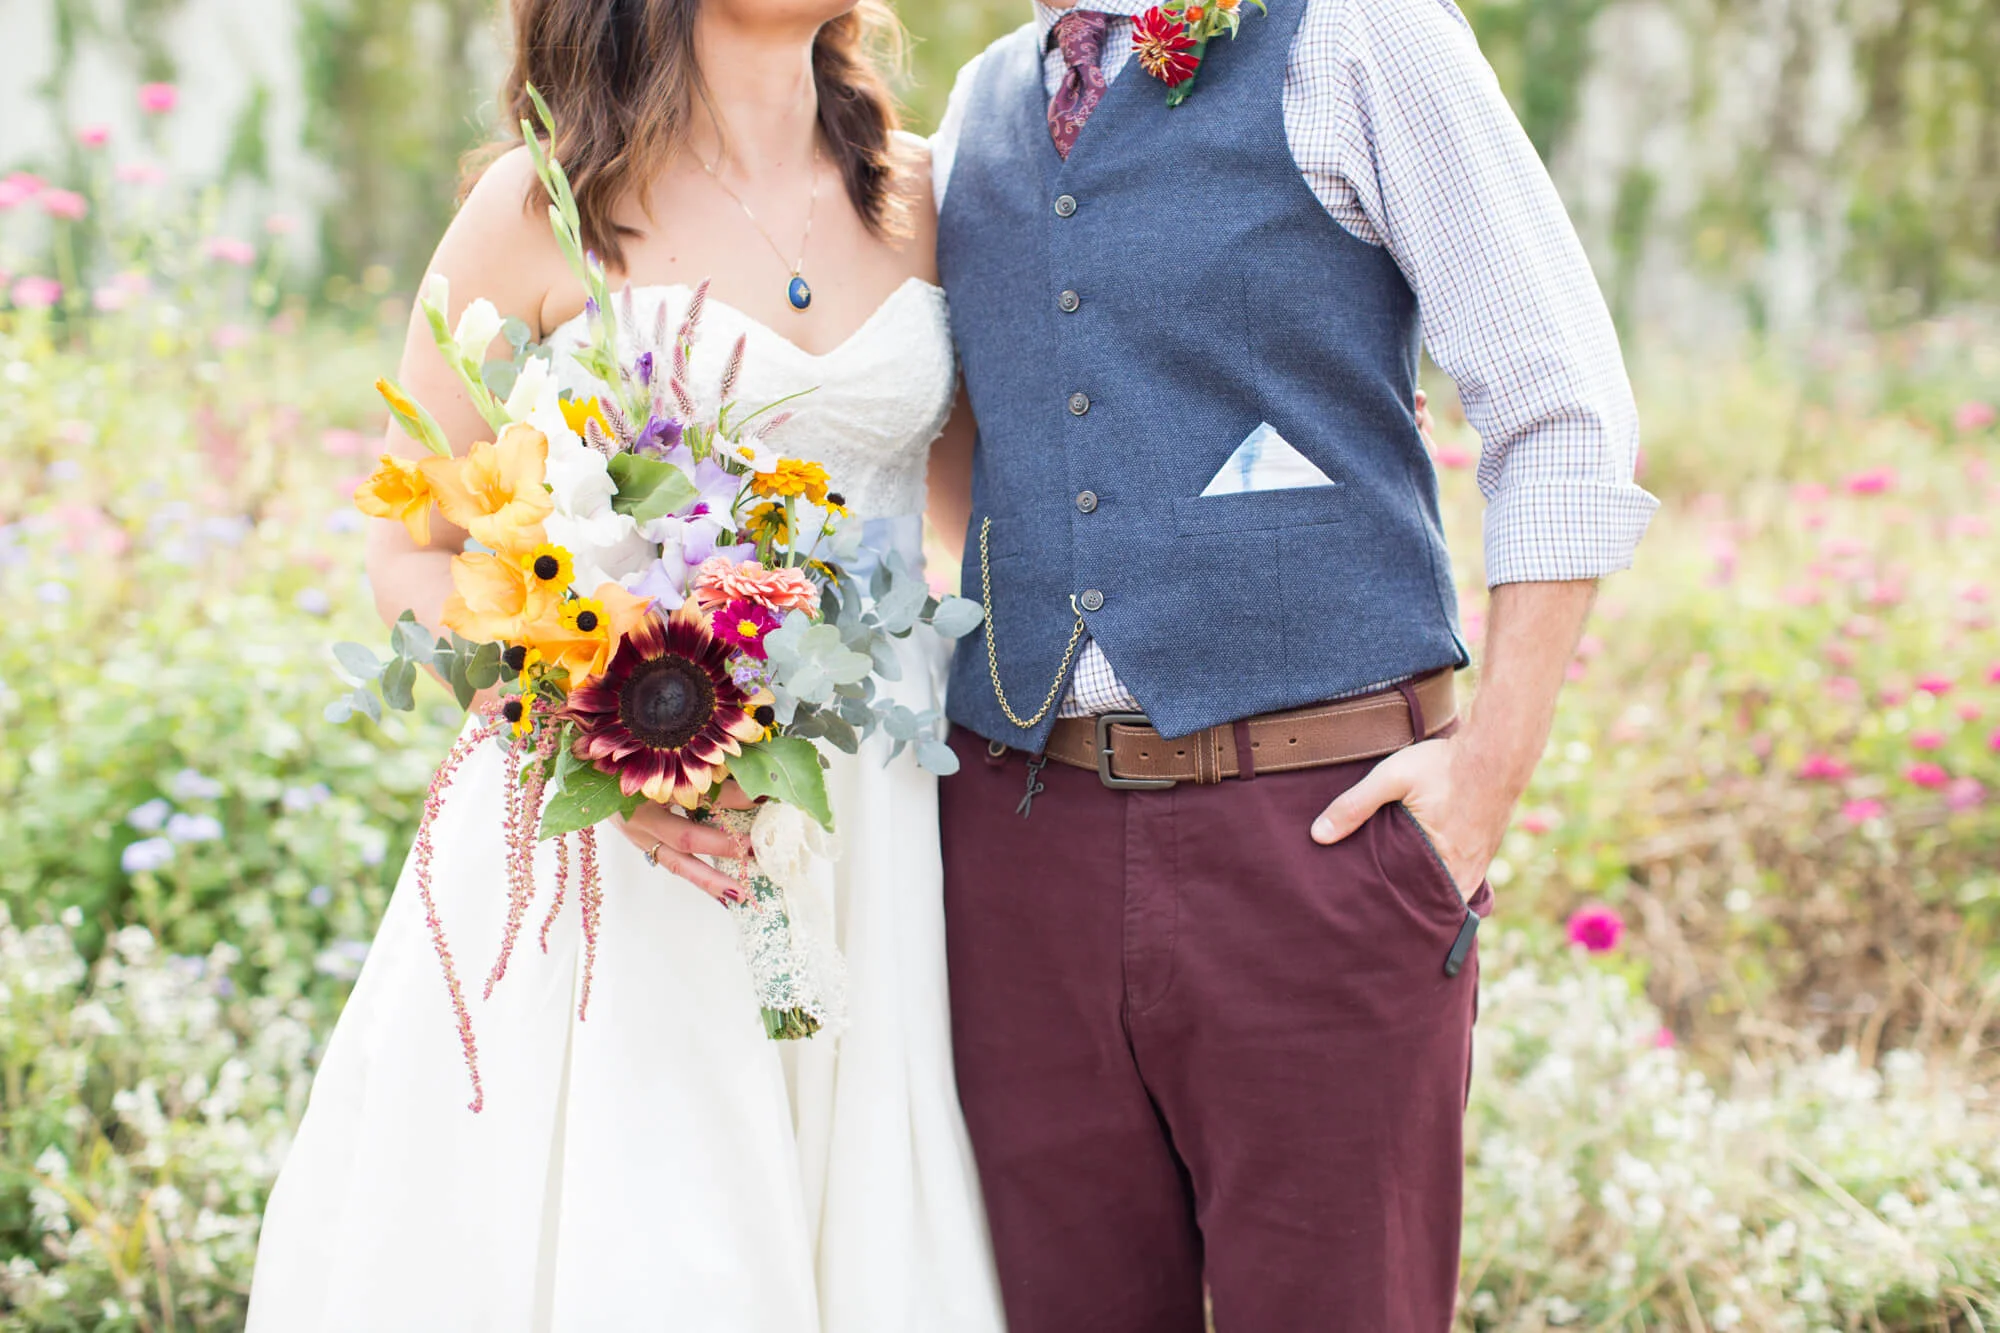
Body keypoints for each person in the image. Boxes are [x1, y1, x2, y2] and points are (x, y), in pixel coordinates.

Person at [246, 1, 1003, 1328]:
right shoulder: (538, 208)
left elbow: (981, 517)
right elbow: (413, 552)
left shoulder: (930, 191)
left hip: (875, 826)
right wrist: (604, 738)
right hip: (621, 858)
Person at [923, 0, 1657, 1328]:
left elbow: (1562, 409)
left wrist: (1487, 776)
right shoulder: (969, 114)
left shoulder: (1361, 34)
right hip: (1016, 846)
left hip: (1309, 832)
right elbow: (982, 452)